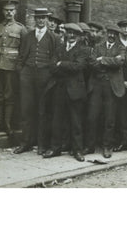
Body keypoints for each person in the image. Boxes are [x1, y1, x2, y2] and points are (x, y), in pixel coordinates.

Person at [14, 8, 58, 155]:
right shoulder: (28, 35)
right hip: (27, 75)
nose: (40, 20)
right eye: (38, 18)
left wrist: (49, 73)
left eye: (43, 18)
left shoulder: (53, 37)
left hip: (44, 77)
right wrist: (21, 72)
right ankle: (25, 143)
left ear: (47, 19)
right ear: (34, 19)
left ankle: (42, 144)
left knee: (43, 111)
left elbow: (55, 58)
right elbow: (21, 56)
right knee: (26, 110)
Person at [42, 23, 87, 162]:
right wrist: (63, 65)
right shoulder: (60, 48)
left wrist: (61, 64)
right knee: (57, 120)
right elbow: (51, 67)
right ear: (66, 34)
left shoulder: (83, 50)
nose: (71, 35)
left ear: (78, 36)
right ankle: (55, 148)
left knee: (76, 122)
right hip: (59, 89)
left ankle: (77, 151)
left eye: (74, 33)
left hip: (75, 90)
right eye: (69, 32)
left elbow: (78, 67)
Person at [84, 25, 126, 158]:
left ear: (117, 35)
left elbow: (120, 62)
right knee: (92, 116)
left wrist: (102, 60)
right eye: (110, 33)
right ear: (106, 33)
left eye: (115, 33)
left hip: (111, 86)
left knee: (110, 118)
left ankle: (107, 146)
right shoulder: (98, 46)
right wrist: (109, 63)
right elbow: (91, 63)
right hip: (96, 85)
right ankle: (90, 146)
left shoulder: (121, 48)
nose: (112, 35)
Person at [0, 0, 27, 136]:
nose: (8, 12)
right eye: (6, 10)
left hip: (11, 66)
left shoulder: (21, 29)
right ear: (3, 11)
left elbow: (24, 49)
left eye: (11, 10)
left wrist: (19, 66)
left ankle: (7, 124)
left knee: (9, 95)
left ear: (15, 12)